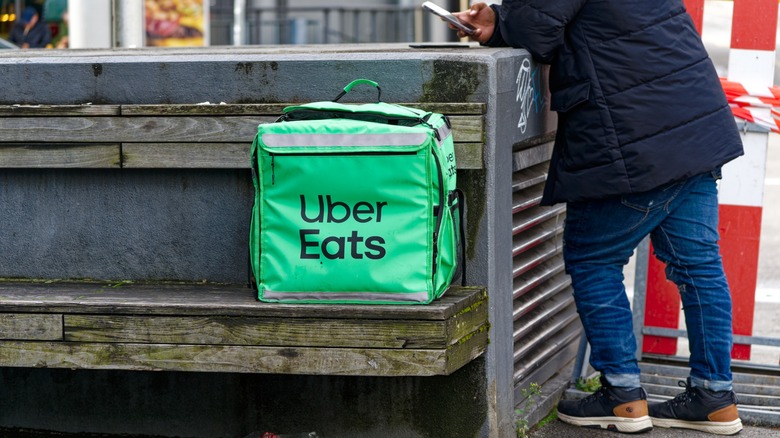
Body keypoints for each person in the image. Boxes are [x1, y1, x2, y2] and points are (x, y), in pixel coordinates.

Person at [453, 1, 744, 435]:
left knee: (593, 260)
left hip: (628, 134)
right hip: (691, 120)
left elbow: (536, 32)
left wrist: (501, 22)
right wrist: (501, 18)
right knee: (699, 266)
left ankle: (623, 396)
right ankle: (715, 396)